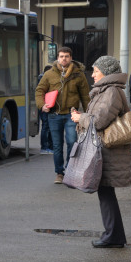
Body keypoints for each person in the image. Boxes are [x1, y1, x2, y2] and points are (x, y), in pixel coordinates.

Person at [71, 55, 130, 249]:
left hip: (107, 151)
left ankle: (113, 236)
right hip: (104, 150)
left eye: (96, 70)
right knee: (105, 192)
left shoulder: (111, 91)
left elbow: (99, 121)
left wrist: (81, 118)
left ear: (106, 72)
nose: (93, 74)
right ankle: (114, 235)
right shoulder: (106, 90)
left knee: (106, 192)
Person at [35, 46, 90, 184]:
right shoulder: (49, 74)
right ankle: (59, 173)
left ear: (71, 58)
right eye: (61, 56)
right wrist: (42, 105)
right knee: (57, 145)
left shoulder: (78, 74)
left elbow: (85, 96)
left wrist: (89, 114)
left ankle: (70, 170)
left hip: (72, 114)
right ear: (57, 58)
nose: (63, 59)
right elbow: (39, 90)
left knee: (72, 142)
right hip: (54, 115)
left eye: (66, 56)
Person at [38, 65, 54, 154]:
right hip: (45, 105)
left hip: (48, 105)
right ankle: (45, 147)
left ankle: (49, 147)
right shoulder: (43, 79)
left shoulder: (43, 78)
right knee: (46, 126)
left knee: (48, 126)